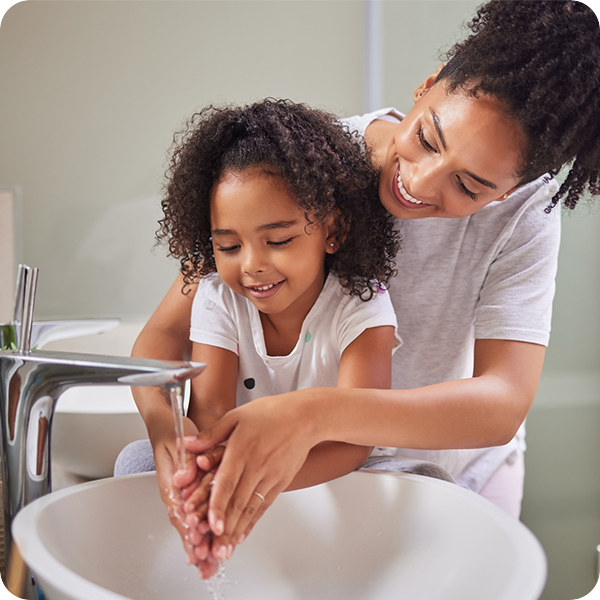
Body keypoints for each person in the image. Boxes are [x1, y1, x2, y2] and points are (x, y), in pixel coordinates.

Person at [128, 0, 600, 571]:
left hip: (448, 474)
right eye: (427, 138)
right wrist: (165, 432)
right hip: (300, 464)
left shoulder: (524, 218)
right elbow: (163, 335)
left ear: (507, 191)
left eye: (469, 186)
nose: (419, 183)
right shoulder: (306, 165)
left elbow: (502, 402)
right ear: (426, 88)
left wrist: (316, 414)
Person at [119, 99, 402, 577]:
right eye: (228, 246)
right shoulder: (218, 297)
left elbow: (355, 442)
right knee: (135, 462)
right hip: (240, 458)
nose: (251, 264)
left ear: (332, 231)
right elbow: (208, 412)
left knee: (428, 481)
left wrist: (256, 484)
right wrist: (208, 487)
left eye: (278, 240)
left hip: (339, 468)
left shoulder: (362, 305)